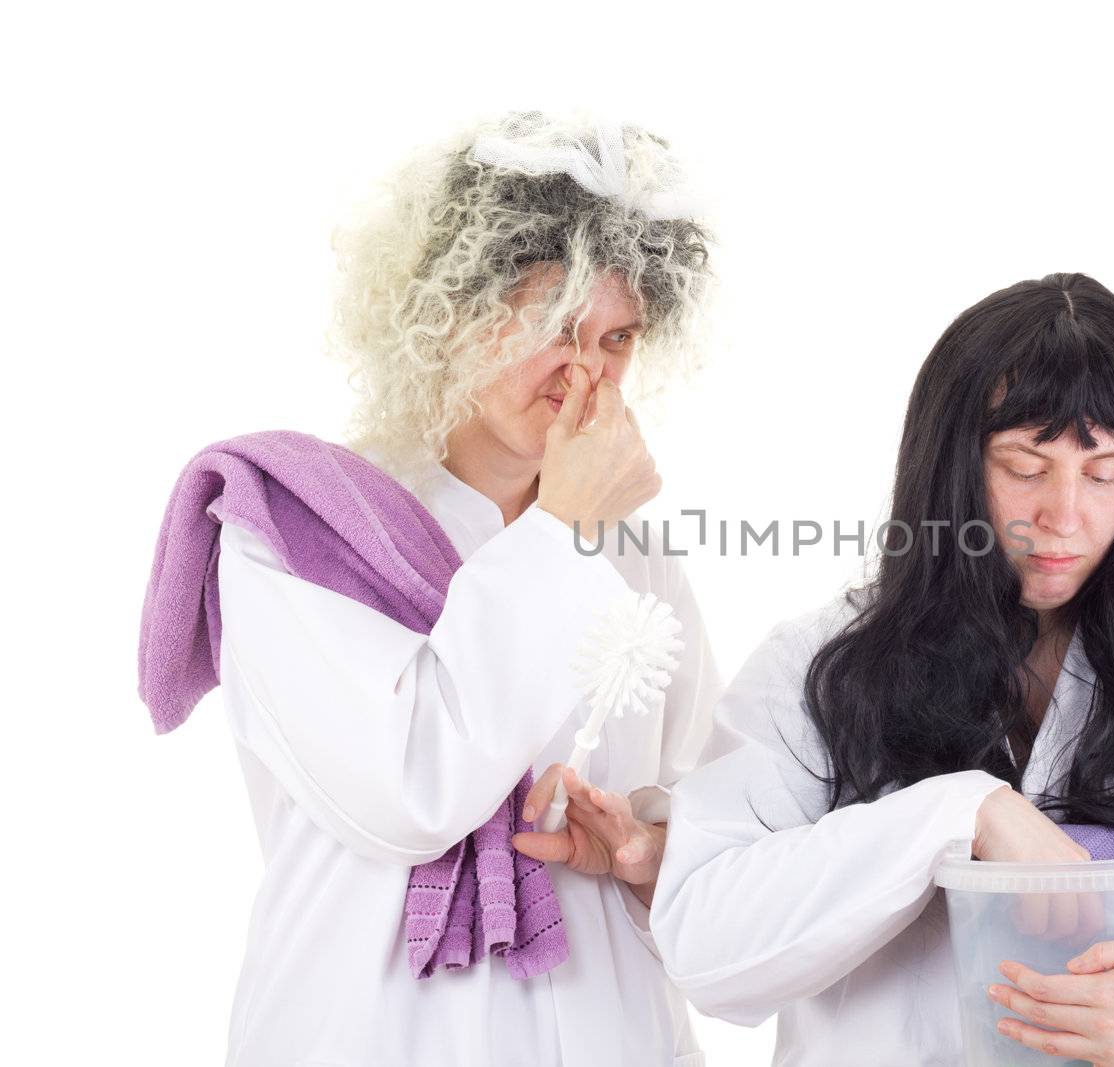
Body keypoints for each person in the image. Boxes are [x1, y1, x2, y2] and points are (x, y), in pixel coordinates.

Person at [650, 273, 1114, 1065]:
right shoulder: (822, 668)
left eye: (1104, 470)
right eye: (1025, 465)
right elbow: (705, 943)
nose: (1065, 515)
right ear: (951, 466)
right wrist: (956, 816)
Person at [136, 110, 720, 1066]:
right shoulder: (294, 530)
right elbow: (412, 787)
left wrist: (654, 849)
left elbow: (700, 796)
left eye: (618, 339)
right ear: (447, 310)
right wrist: (562, 528)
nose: (589, 373)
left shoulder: (634, 553)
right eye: (557, 324)